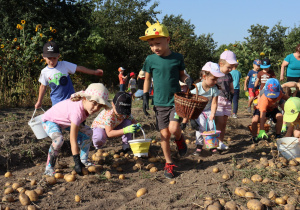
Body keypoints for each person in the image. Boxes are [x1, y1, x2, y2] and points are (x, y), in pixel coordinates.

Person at [139, 20, 191, 179]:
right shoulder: (150, 59)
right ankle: (168, 164)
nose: (155, 47)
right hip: (159, 103)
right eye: (151, 44)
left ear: (167, 40)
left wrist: (187, 78)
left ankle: (180, 139)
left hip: (175, 100)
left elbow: (182, 74)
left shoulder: (177, 57)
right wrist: (146, 96)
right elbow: (147, 79)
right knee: (164, 135)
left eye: (158, 43)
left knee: (174, 129)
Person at [42, 83, 111, 176]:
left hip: (65, 121)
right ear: (85, 99)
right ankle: (49, 168)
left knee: (88, 132)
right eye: (94, 103)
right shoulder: (77, 113)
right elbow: (72, 139)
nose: (96, 108)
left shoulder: (84, 106)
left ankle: (84, 160)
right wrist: (76, 161)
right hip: (50, 121)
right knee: (58, 140)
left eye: (99, 106)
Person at [35, 41, 103, 108]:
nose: (52, 61)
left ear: (58, 56)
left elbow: (80, 68)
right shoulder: (44, 72)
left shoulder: (64, 65)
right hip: (56, 103)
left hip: (71, 100)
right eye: (49, 58)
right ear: (43, 56)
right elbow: (43, 87)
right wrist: (39, 101)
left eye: (54, 58)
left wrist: (94, 72)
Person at [191, 62, 224, 155]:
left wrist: (213, 113)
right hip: (198, 111)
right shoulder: (196, 88)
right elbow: (192, 102)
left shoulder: (214, 89)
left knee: (212, 126)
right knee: (201, 126)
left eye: (216, 79)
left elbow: (214, 102)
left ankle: (212, 146)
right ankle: (199, 145)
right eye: (213, 79)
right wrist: (192, 116)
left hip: (209, 110)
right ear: (204, 76)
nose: (215, 82)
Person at [250, 78, 289, 143]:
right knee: (255, 120)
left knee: (280, 116)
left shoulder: (280, 93)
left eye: (274, 95)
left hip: (272, 109)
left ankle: (278, 135)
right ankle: (254, 136)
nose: (273, 97)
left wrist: (293, 100)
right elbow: (262, 115)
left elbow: (285, 97)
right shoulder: (264, 98)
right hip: (260, 109)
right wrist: (262, 130)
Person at [215, 50, 237, 149]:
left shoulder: (229, 75)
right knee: (219, 122)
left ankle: (221, 142)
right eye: (229, 67)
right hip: (218, 100)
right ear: (221, 64)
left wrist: (232, 93)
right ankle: (215, 142)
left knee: (224, 123)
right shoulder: (215, 73)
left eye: (231, 67)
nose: (230, 69)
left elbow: (231, 87)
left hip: (227, 100)